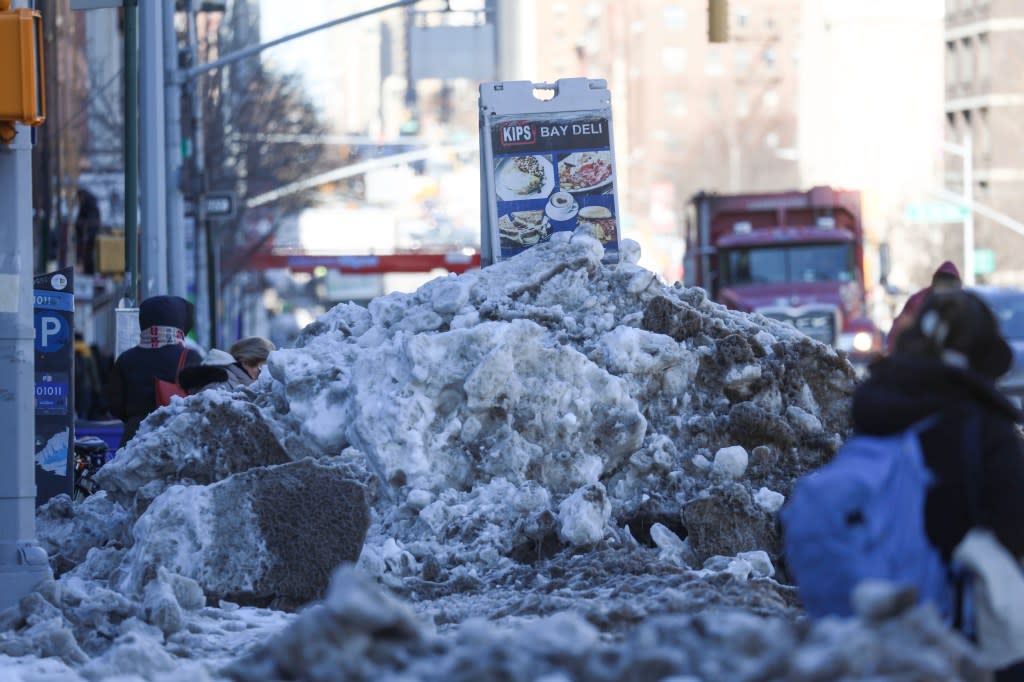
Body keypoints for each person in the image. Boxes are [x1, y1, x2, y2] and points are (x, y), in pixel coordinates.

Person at [854, 289, 1024, 680]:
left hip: (872, 613)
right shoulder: (985, 427)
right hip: (958, 622)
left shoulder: (874, 410)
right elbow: (1015, 527)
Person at [107, 295, 202, 446]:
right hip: (177, 438)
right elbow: (201, 401)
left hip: (134, 440)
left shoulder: (125, 359)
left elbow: (115, 406)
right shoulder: (191, 357)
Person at [887, 260, 961, 353]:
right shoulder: (918, 300)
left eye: (949, 282)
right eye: (943, 281)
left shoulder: (966, 304)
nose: (945, 288)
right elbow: (900, 327)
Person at [178, 336, 275, 395]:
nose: (264, 376)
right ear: (245, 361)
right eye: (261, 369)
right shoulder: (221, 386)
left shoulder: (236, 383)